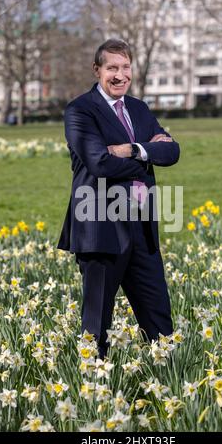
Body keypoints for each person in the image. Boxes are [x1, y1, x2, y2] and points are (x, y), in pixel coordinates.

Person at [57, 39, 180, 359]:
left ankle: (172, 386)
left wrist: (133, 149)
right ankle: (93, 389)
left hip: (141, 225)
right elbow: (98, 163)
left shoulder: (138, 107)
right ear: (97, 70)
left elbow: (173, 151)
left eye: (125, 67)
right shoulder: (80, 110)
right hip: (99, 225)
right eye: (112, 67)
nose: (120, 75)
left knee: (160, 321)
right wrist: (150, 151)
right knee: (96, 324)